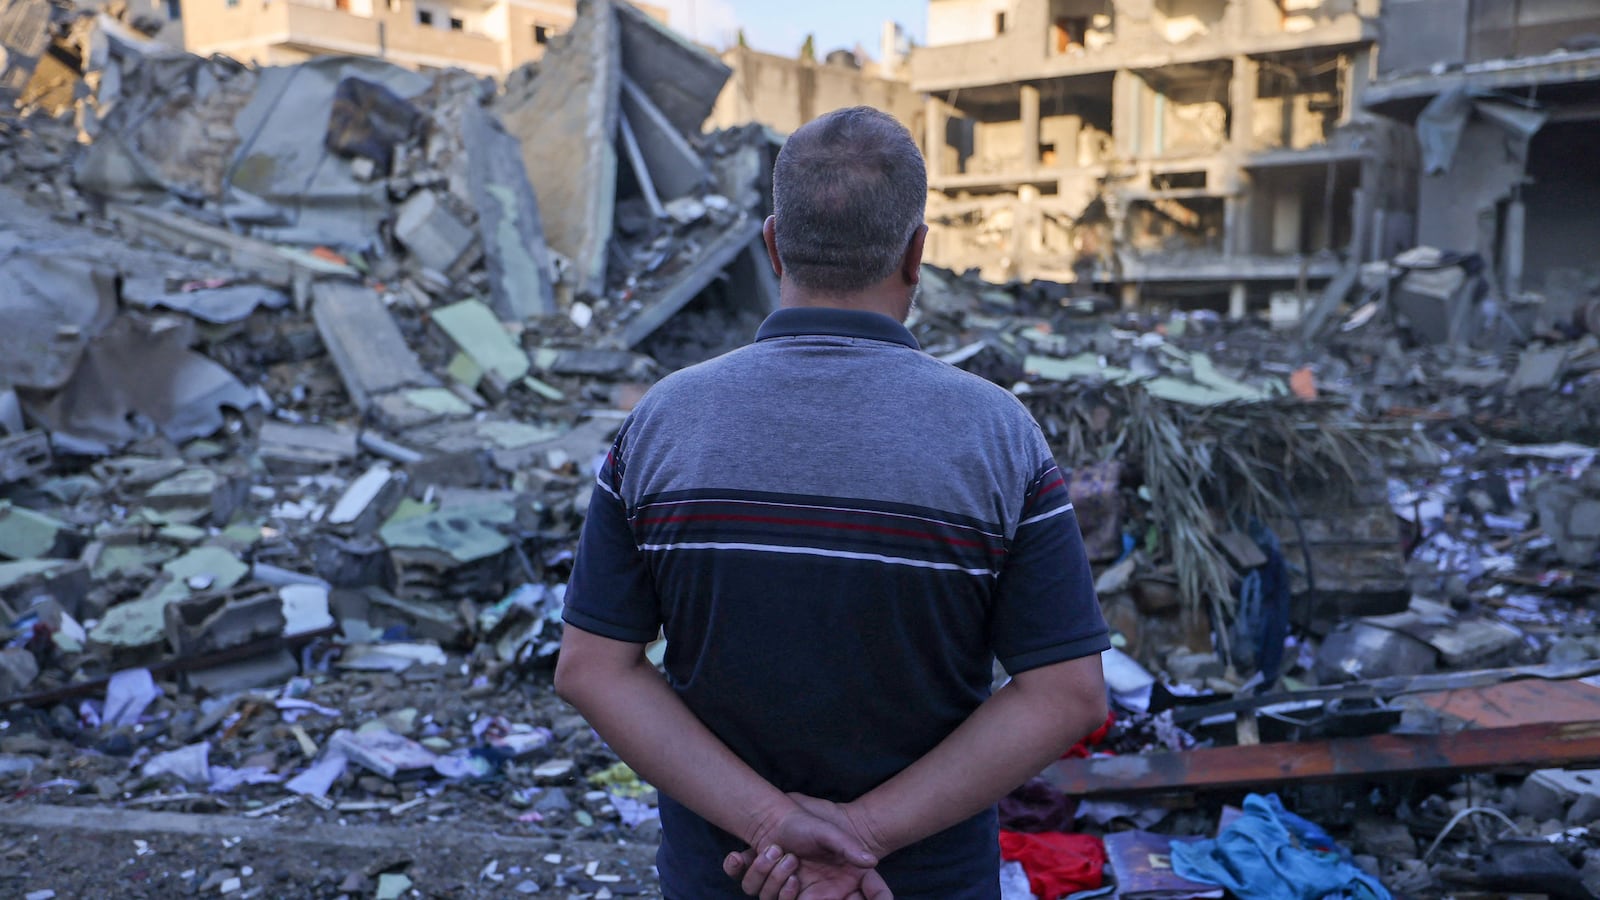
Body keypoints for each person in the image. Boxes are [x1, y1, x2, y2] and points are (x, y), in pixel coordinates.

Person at [554, 106, 1110, 900]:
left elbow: (592, 670)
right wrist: (863, 836)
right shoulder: (1001, 437)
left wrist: (766, 823)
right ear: (918, 252)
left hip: (729, 877)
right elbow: (1068, 694)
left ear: (774, 241)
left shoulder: (661, 423)